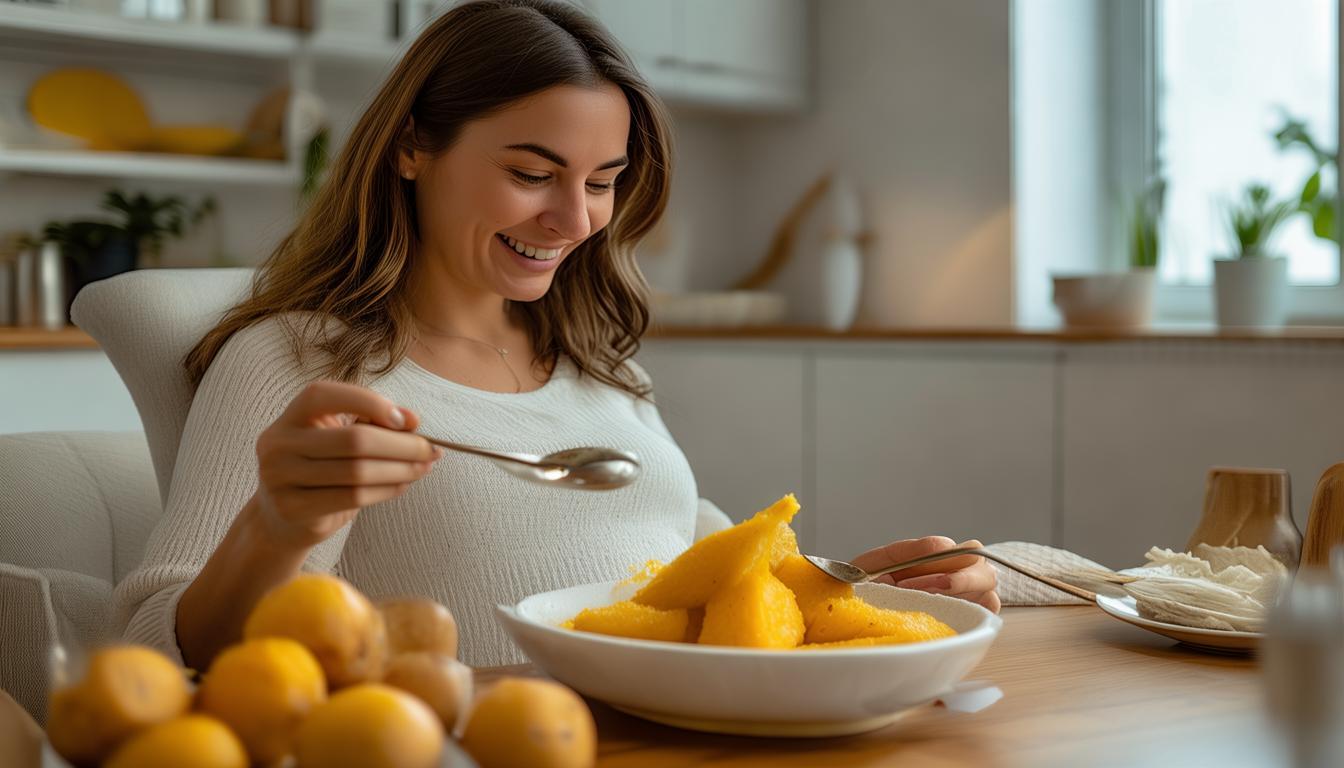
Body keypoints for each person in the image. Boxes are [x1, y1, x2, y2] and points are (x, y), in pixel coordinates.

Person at [116, 0, 998, 670]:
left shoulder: (602, 367)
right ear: (411, 147)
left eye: (603, 181)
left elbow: (695, 575)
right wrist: (272, 529)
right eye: (532, 173)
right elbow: (159, 653)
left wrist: (871, 592)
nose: (574, 218)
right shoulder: (299, 361)